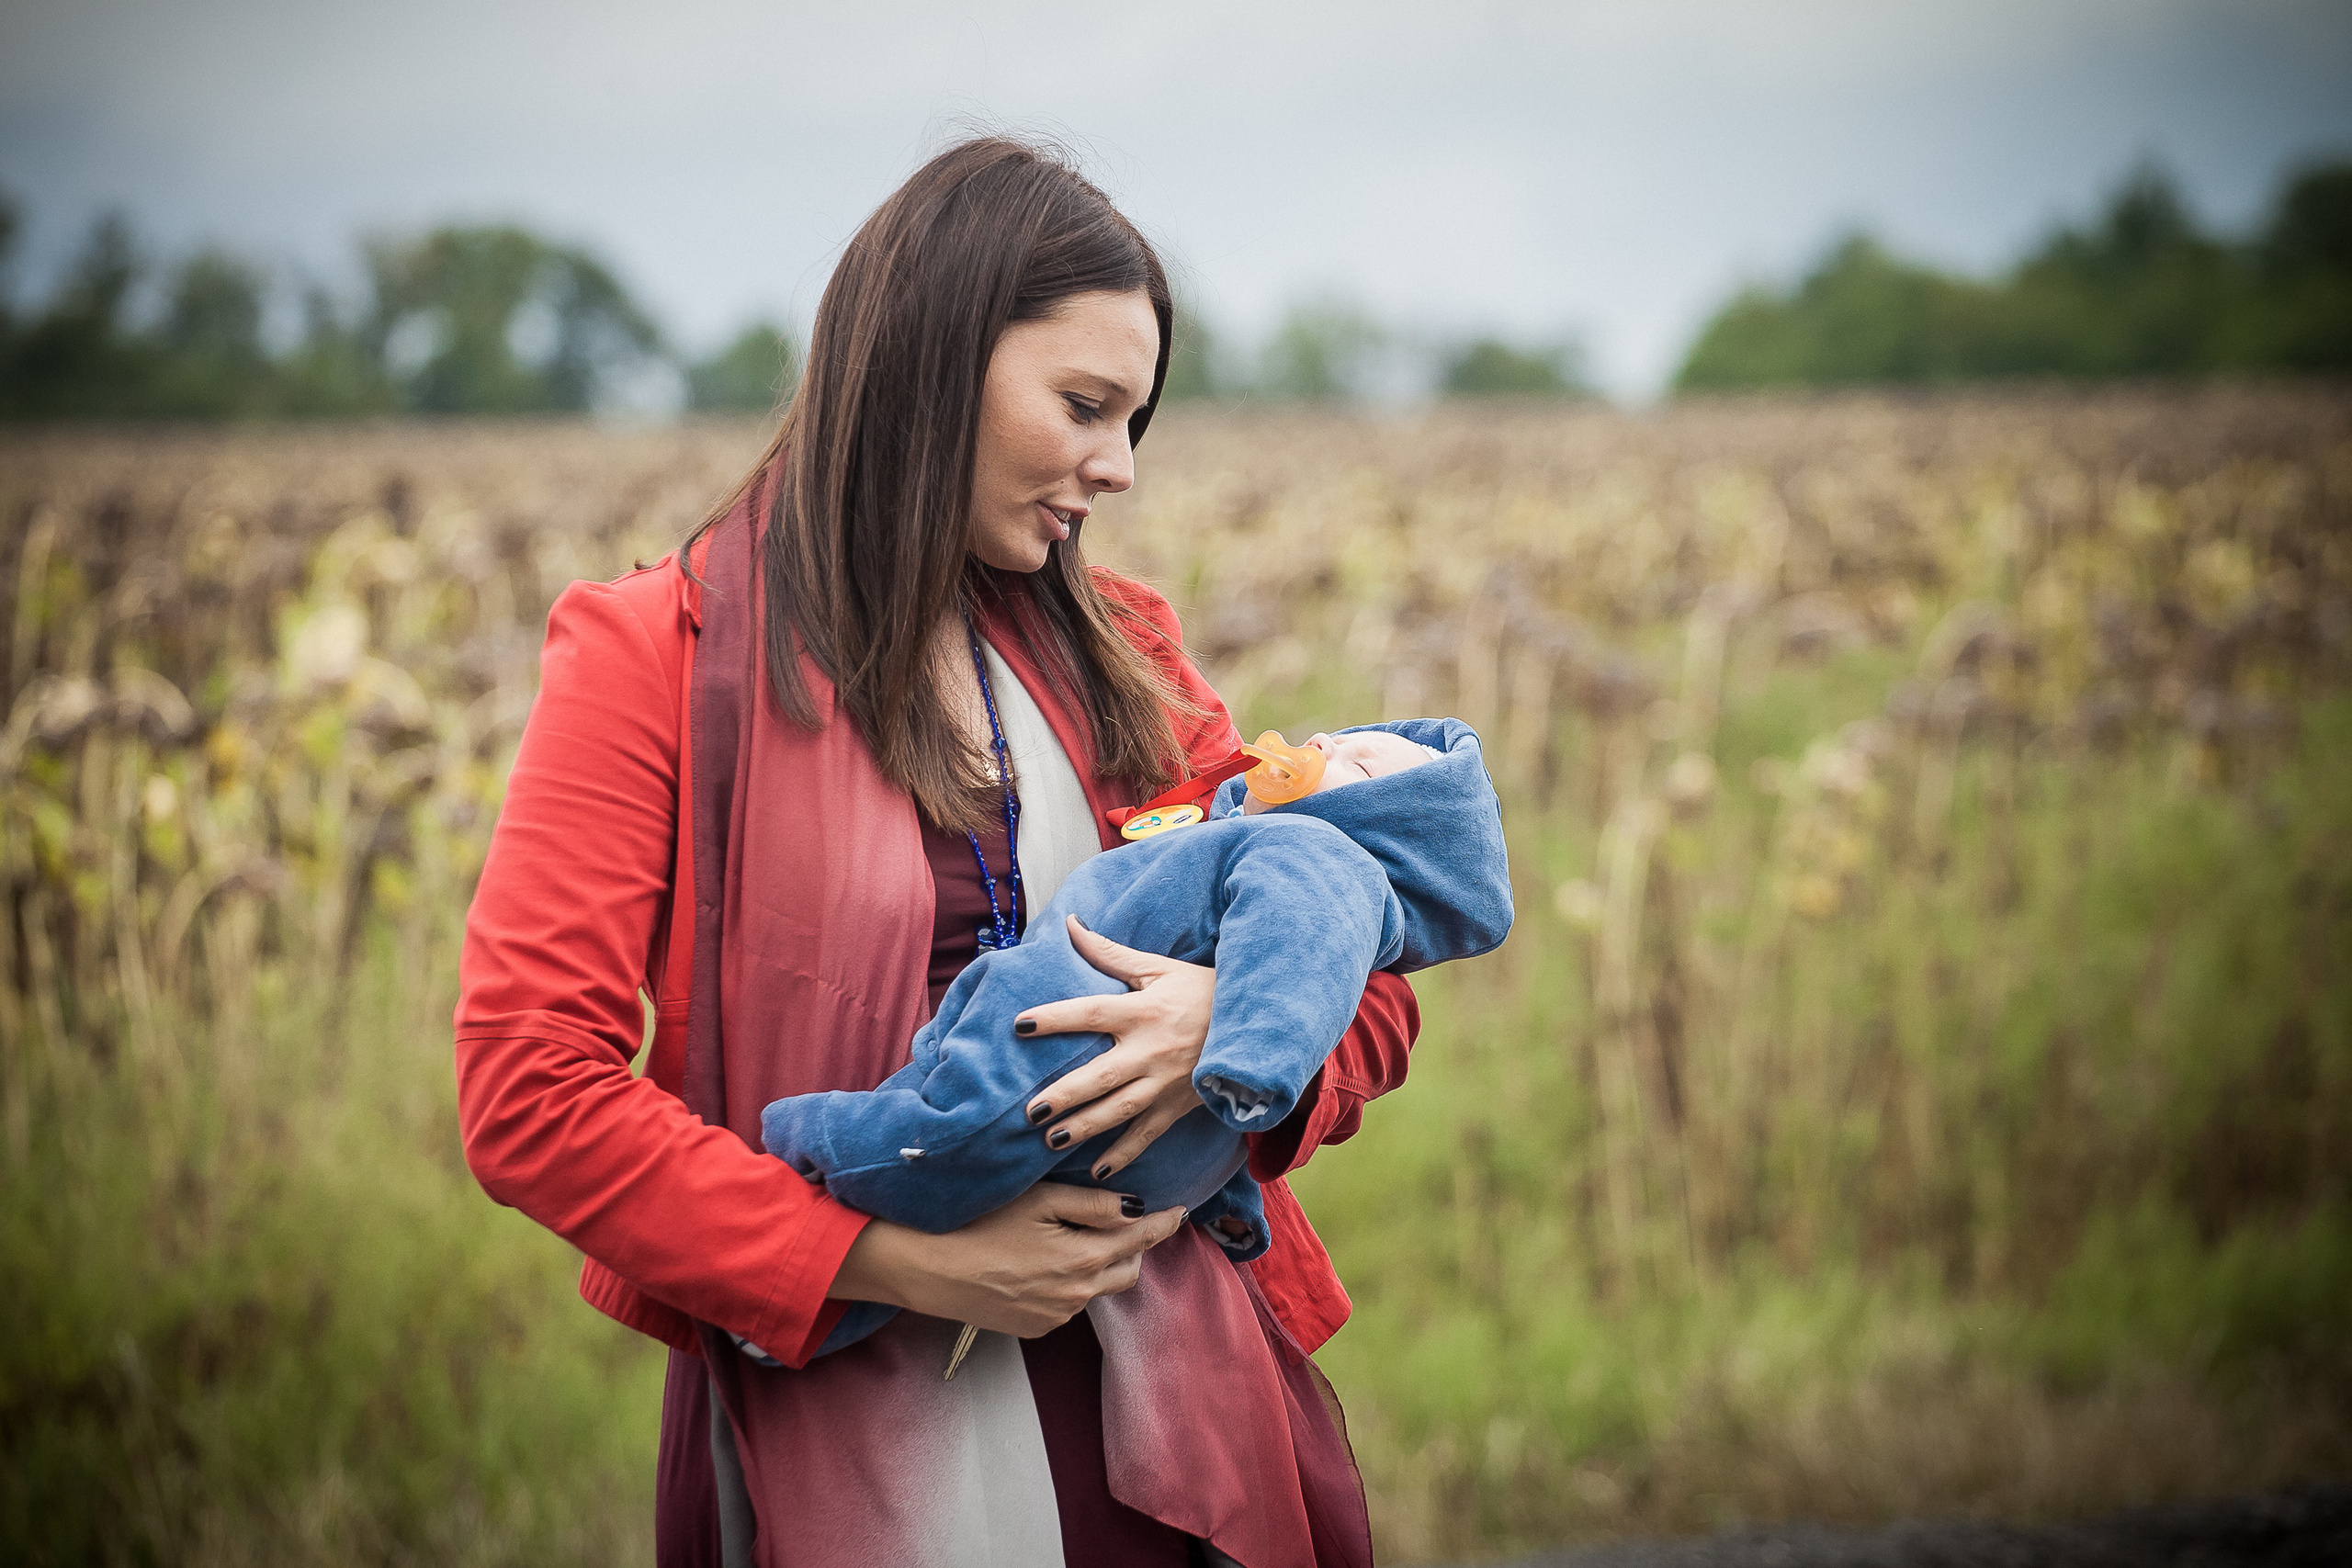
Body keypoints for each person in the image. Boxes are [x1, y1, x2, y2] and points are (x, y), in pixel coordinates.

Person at [453, 136, 1421, 1568]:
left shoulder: (1128, 653)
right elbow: (530, 1086)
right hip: (838, 1400)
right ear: (934, 357)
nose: (1120, 466)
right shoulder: (650, 654)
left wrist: (1224, 1029)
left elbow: (1373, 972)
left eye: (1136, 419)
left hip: (1178, 1417)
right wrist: (899, 1259)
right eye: (1084, 406)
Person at [762, 718, 1511, 1359]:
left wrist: (1234, 1043)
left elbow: (1315, 973)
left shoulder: (1323, 854)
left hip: (1074, 1040)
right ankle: (806, 1310)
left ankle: (814, 1145)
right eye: (1342, 737)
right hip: (1146, 1169)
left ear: (1386, 831)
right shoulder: (1253, 827)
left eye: (1361, 766)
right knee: (949, 1207)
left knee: (952, 1137)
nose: (1322, 741)